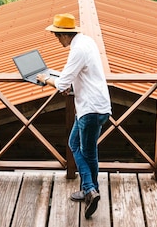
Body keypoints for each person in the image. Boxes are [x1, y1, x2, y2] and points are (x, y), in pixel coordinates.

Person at [36, 13, 112, 219]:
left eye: (57, 36)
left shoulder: (77, 50)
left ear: (64, 35)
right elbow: (76, 76)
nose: (57, 39)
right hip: (100, 106)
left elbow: (62, 84)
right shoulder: (86, 42)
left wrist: (45, 78)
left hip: (90, 109)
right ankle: (91, 189)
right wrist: (61, 79)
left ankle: (89, 189)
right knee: (82, 148)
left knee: (82, 149)